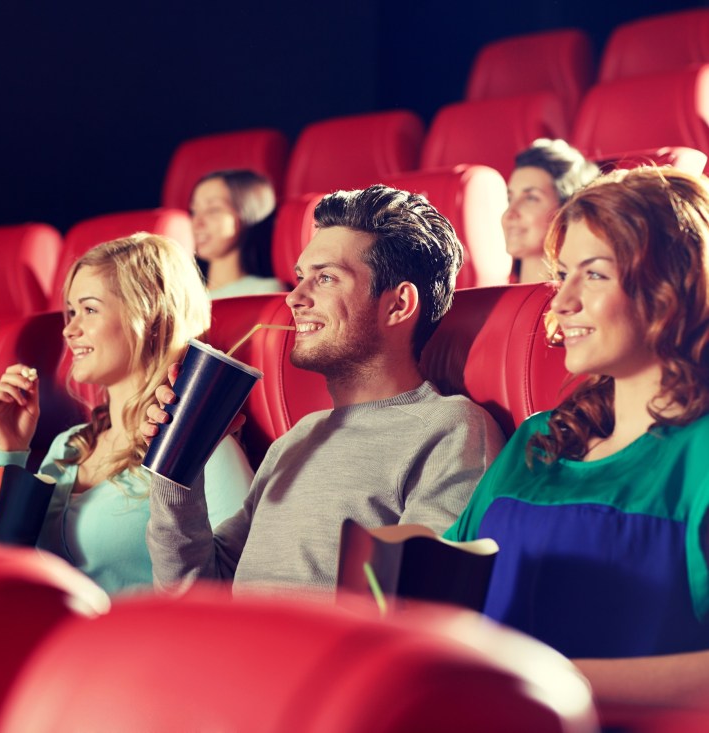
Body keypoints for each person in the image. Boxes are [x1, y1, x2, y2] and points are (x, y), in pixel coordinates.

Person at [144, 184, 505, 595]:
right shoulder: (296, 439)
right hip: (225, 652)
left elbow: (411, 612)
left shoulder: (451, 429)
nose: (295, 298)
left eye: (327, 278)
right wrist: (177, 471)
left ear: (399, 304)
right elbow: (193, 596)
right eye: (300, 278)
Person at [447, 167, 709, 709]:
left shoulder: (699, 454)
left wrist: (544, 688)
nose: (560, 302)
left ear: (672, 286)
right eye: (562, 274)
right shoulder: (536, 441)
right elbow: (448, 584)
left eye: (593, 275)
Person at [0, 233, 253, 594]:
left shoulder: (205, 451)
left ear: (150, 315)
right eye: (71, 311)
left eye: (90, 310)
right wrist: (10, 451)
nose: (69, 329)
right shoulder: (69, 444)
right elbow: (1, 560)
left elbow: (237, 588)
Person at [503, 138, 599, 284]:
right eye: (510, 199)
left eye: (531, 198)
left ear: (567, 210)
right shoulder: (491, 299)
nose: (509, 214)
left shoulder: (578, 303)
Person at [190, 169, 286, 298]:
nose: (196, 223)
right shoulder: (186, 295)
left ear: (246, 213)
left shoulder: (263, 291)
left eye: (213, 210)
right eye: (194, 211)